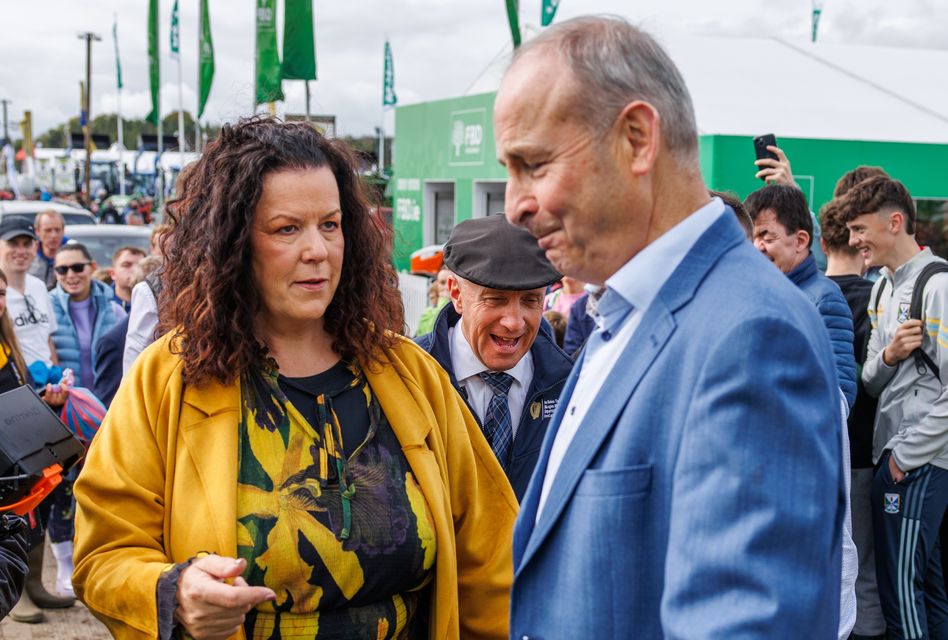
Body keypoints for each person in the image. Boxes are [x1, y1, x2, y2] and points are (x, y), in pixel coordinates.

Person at [73, 117, 516, 640]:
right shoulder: (168, 377)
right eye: (287, 228)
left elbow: (491, 557)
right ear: (233, 243)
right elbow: (104, 553)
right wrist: (173, 592)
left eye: (330, 225)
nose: (318, 250)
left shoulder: (410, 373)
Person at [494, 16, 844, 638]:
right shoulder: (621, 313)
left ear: (636, 139)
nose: (513, 204)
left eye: (534, 164)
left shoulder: (752, 337)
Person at [841, 175, 948, 640]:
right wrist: (890, 354)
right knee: (927, 590)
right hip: (897, 459)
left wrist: (905, 458)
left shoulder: (938, 285)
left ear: (895, 222)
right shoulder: (882, 288)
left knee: (902, 597)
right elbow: (868, 379)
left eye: (860, 229)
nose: (853, 241)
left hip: (918, 463)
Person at [415, 214, 573, 500]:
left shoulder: (568, 385)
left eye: (530, 300)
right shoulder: (410, 378)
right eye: (495, 299)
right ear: (456, 294)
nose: (514, 322)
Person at [820, 197, 885, 639]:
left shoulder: (803, 296)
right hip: (865, 453)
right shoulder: (877, 298)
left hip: (827, 453)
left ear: (821, 244)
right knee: (864, 570)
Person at [745, 184, 857, 410]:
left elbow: (840, 393)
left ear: (801, 240)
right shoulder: (759, 293)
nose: (757, 247)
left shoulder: (824, 298)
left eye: (767, 237)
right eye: (752, 238)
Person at [0, 267, 69, 622]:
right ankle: (16, 594)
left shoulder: (8, 339)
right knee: (9, 520)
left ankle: (33, 584)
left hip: (17, 444)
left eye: (1, 293)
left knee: (34, 511)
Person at [0, 219, 58, 380]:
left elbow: (47, 338)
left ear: (35, 247)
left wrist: (58, 378)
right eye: (13, 243)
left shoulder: (39, 286)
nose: (21, 251)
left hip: (47, 385)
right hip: (15, 384)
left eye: (27, 244)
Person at [27, 209, 65, 290]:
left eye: (57, 230)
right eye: (48, 230)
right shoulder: (27, 258)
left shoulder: (73, 259)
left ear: (63, 231)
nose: (53, 235)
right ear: (37, 231)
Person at [414, 265, 452, 337]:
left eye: (451, 282)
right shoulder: (428, 312)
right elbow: (429, 336)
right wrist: (444, 301)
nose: (447, 287)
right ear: (437, 285)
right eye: (442, 282)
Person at [108, 246, 146, 312]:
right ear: (113, 273)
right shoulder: (102, 304)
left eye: (140, 266)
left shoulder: (155, 304)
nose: (134, 269)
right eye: (126, 265)